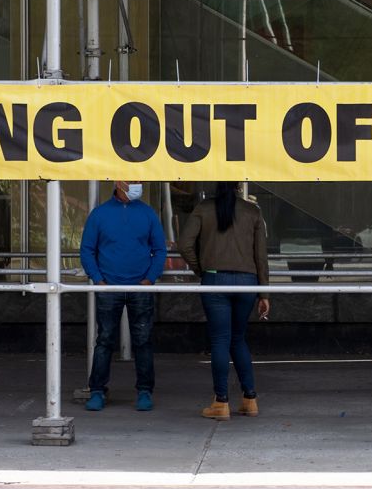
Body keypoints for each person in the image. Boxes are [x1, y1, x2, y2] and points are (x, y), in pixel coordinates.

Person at [179, 181, 271, 421]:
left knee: (220, 340)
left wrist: (201, 269)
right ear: (239, 186)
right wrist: (264, 293)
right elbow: (261, 256)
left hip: (215, 279)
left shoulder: (203, 208)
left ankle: (221, 403)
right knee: (238, 339)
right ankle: (250, 399)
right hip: (248, 282)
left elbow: (185, 244)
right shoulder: (253, 212)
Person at [79, 180, 167, 413]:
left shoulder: (148, 213)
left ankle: (145, 391)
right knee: (105, 340)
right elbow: (87, 249)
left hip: (141, 287)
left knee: (143, 341)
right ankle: (97, 390)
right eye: (132, 180)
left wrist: (149, 279)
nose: (138, 185)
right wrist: (98, 279)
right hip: (108, 287)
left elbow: (160, 250)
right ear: (119, 183)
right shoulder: (99, 215)